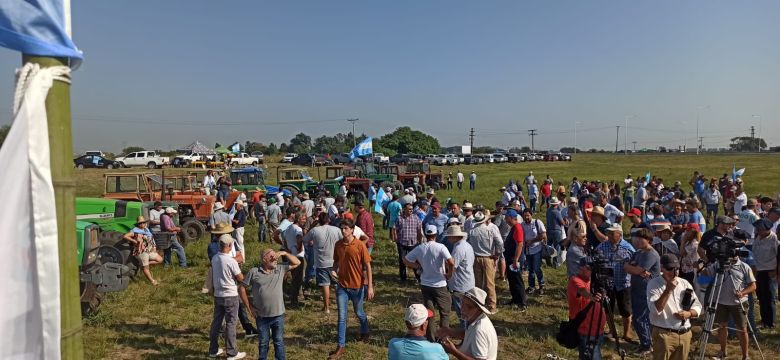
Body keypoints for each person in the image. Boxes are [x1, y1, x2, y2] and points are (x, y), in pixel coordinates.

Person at [239, 249, 301, 360]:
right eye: (272, 256)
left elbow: (297, 263)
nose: (275, 258)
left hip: (278, 315)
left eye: (276, 256)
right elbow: (242, 287)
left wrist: (284, 253)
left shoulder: (280, 268)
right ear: (264, 259)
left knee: (279, 342)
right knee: (263, 343)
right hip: (262, 317)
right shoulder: (254, 272)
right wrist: (249, 307)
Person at [329, 219, 375, 360]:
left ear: (352, 229)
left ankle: (365, 331)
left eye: (346, 228)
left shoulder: (360, 245)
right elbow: (336, 262)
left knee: (359, 312)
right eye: (342, 228)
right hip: (342, 286)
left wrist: (370, 287)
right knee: (341, 317)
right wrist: (333, 270)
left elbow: (368, 266)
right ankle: (340, 346)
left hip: (357, 286)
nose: (343, 231)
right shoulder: (338, 245)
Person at [701, 246, 756, 360]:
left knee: (742, 329)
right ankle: (722, 351)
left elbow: (753, 285)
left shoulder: (744, 267)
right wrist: (701, 268)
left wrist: (742, 292)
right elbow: (703, 279)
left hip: (738, 302)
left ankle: (745, 356)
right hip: (720, 301)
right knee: (722, 327)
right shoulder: (718, 265)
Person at [646, 254, 702, 360]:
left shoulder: (684, 283)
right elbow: (655, 310)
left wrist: (689, 314)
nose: (674, 272)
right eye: (670, 268)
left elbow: (698, 306)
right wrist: (668, 290)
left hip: (685, 334)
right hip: (664, 335)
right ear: (661, 267)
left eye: (677, 268)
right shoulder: (654, 284)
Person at [404, 225, 455, 341]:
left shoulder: (420, 247)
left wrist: (417, 266)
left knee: (430, 313)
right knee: (445, 313)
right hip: (440, 284)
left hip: (425, 284)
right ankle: (443, 338)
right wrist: (449, 274)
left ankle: (431, 338)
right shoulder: (441, 247)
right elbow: (451, 262)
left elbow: (406, 259)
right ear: (436, 235)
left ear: (425, 235)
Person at [595, 223, 635, 343]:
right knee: (608, 309)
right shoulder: (602, 246)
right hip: (607, 284)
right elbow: (595, 259)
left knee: (626, 310)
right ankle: (612, 332)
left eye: (613, 233)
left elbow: (635, 263)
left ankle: (626, 333)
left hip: (623, 283)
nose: (610, 235)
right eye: (609, 233)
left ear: (620, 234)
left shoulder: (628, 248)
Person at [208, 235, 247, 360]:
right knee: (231, 323)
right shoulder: (231, 261)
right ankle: (231, 352)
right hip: (230, 294)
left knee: (216, 323)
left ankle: (213, 350)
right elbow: (240, 278)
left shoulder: (215, 258)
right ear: (229, 246)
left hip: (218, 294)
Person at [624, 228, 661, 355]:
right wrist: (633, 268)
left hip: (646, 291)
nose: (638, 241)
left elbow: (635, 270)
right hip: (636, 289)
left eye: (641, 239)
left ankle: (647, 345)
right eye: (637, 238)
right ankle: (645, 343)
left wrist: (635, 269)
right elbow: (627, 267)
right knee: (638, 318)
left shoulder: (651, 254)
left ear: (649, 240)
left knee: (641, 318)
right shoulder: (638, 252)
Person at [435, 287, 498, 360]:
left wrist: (454, 351)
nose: (463, 309)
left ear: (479, 310)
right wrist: (449, 331)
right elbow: (469, 335)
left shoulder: (479, 330)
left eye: (469, 307)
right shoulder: (475, 319)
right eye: (462, 304)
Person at [568, 258, 607, 360]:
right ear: (581, 268)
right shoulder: (575, 280)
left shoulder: (596, 281)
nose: (593, 271)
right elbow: (582, 291)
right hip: (586, 329)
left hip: (598, 328)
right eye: (589, 268)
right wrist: (591, 296)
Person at [467, 211, 503, 311]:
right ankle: (492, 305)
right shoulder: (490, 229)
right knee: (489, 283)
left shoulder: (472, 231)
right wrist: (497, 254)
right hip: (488, 257)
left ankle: (479, 303)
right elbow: (500, 242)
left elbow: (468, 243)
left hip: (476, 257)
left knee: (478, 283)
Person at [444, 225, 475, 328]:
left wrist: (448, 275)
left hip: (460, 284)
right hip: (467, 280)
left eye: (449, 236)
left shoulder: (458, 248)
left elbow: (453, 266)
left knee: (462, 312)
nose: (448, 238)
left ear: (455, 236)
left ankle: (465, 334)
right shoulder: (467, 245)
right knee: (467, 310)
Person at [751, 218, 779, 329]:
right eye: (757, 229)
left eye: (760, 229)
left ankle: (770, 322)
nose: (758, 231)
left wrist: (775, 271)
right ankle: (764, 320)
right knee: (761, 296)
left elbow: (779, 256)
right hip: (758, 271)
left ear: (766, 229)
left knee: (769, 297)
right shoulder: (758, 237)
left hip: (769, 271)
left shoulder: (774, 239)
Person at [123, 216, 162, 285]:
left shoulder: (146, 230)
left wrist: (154, 247)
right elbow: (125, 236)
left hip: (149, 250)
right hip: (141, 251)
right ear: (138, 224)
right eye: (140, 223)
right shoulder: (134, 231)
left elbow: (151, 239)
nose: (142, 224)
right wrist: (134, 241)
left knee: (160, 259)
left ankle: (143, 265)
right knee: (146, 268)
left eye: (143, 223)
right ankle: (153, 281)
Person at [503, 209, 528, 311]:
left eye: (506, 217)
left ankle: (522, 302)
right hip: (510, 258)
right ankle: (515, 299)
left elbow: (520, 244)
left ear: (511, 218)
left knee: (517, 280)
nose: (505, 219)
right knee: (512, 280)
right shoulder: (513, 228)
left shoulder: (517, 227)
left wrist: (516, 259)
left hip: (514, 259)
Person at [393, 203, 423, 281]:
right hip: (402, 243)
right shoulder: (399, 218)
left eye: (412, 209)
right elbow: (394, 228)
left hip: (413, 243)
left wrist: (420, 240)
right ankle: (403, 278)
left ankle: (418, 277)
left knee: (415, 260)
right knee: (402, 260)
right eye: (409, 209)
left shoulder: (416, 218)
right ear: (404, 209)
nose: (411, 210)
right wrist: (395, 238)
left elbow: (419, 230)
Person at [281, 212, 306, 307]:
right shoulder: (298, 229)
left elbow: (284, 240)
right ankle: (294, 301)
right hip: (298, 256)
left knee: (294, 277)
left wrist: (288, 249)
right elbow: (299, 239)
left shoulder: (289, 227)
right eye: (303, 219)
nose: (304, 220)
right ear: (298, 219)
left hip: (291, 255)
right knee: (297, 279)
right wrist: (300, 248)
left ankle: (292, 298)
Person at [522, 209, 547, 295]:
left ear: (531, 215)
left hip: (537, 249)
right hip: (528, 251)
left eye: (528, 215)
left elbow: (543, 235)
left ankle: (541, 285)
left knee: (537, 268)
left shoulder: (537, 222)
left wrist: (532, 241)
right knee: (530, 269)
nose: (526, 217)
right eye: (524, 216)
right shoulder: (523, 225)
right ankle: (531, 286)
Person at [546, 197, 565, 268]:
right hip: (556, 230)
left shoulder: (548, 211)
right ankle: (555, 262)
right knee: (557, 246)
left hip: (549, 229)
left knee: (549, 246)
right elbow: (562, 222)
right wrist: (565, 221)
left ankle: (548, 259)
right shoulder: (557, 212)